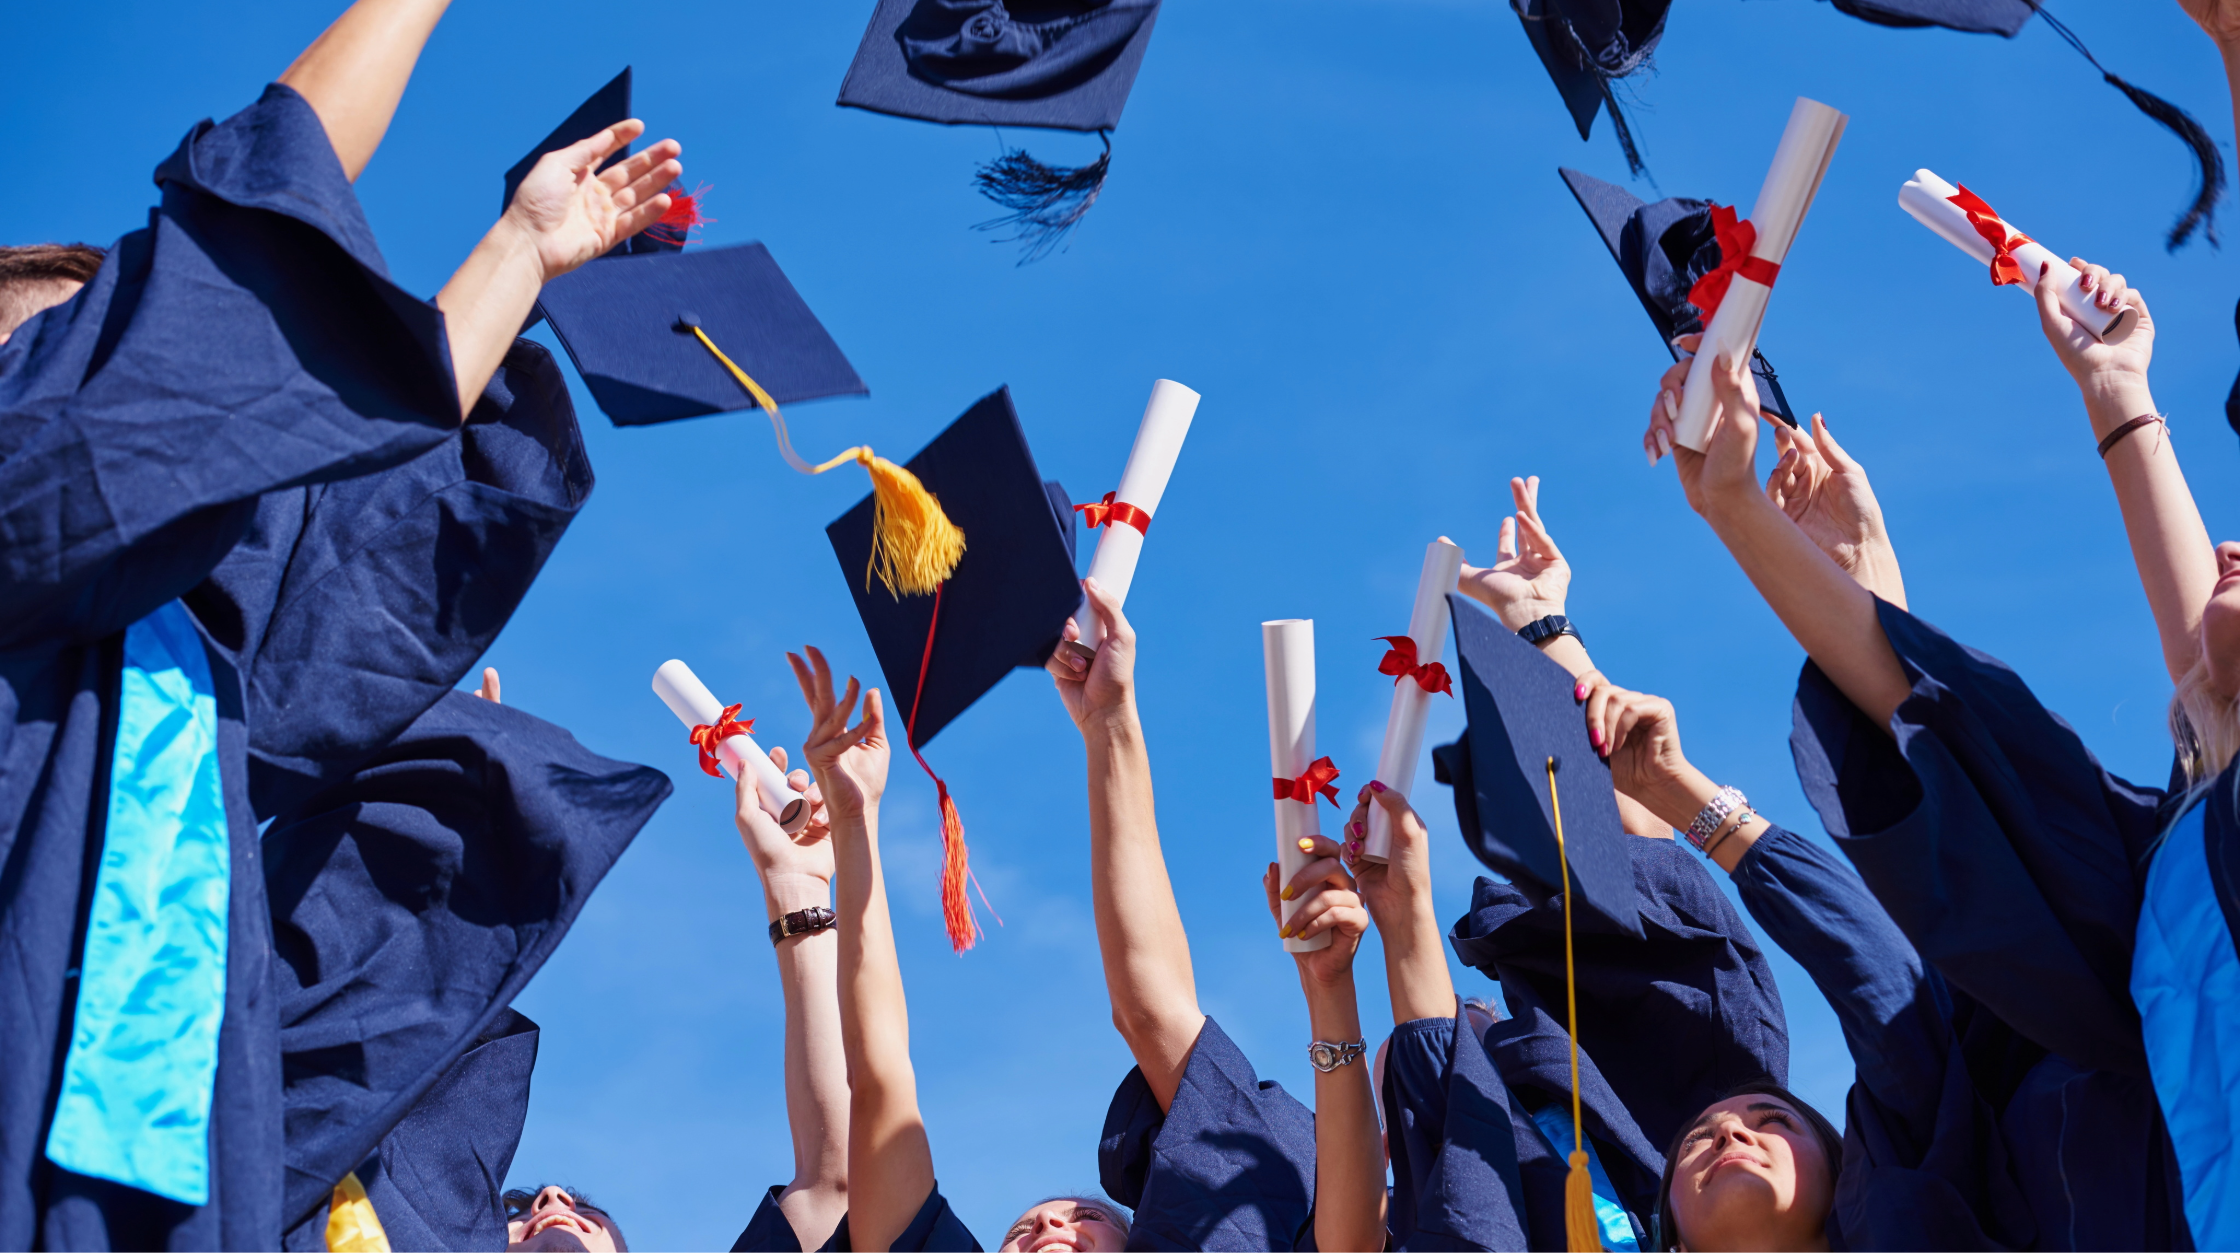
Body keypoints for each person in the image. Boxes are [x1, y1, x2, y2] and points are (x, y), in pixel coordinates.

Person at [0, 0, 686, 1245]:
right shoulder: (32, 499)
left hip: (154, 1171)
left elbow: (354, 548)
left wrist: (523, 255)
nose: (110, 358)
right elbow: (227, 276)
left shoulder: (172, 650)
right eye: (60, 339)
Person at [1650, 257, 2204, 1245]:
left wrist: (1742, 515)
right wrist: (2115, 391)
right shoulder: (2153, 926)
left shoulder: (2143, 979)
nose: (1731, 1127)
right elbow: (1985, 786)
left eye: (1767, 1113)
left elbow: (1921, 942)